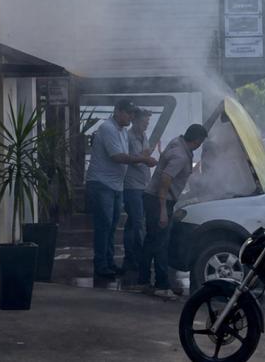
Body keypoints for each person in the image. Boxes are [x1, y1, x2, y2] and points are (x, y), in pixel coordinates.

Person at [85, 99, 157, 279]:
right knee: (104, 226)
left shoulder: (122, 131)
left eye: (132, 113)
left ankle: (108, 262)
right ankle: (101, 264)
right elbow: (117, 156)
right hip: (102, 183)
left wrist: (141, 157)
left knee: (111, 226)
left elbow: (127, 155)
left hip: (116, 185)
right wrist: (142, 159)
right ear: (117, 111)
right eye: (128, 113)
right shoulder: (107, 128)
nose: (131, 117)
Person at [139, 124, 209, 299]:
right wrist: (163, 209)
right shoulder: (180, 155)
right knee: (162, 243)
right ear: (197, 141)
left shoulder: (177, 143)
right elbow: (165, 178)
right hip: (159, 201)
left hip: (153, 198)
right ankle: (162, 285)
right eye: (201, 142)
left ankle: (143, 281)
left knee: (151, 241)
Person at [122, 107, 153, 277]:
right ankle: (139, 258)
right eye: (144, 122)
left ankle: (130, 258)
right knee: (138, 222)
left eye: (147, 122)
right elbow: (134, 159)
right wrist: (145, 158)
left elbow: (144, 155)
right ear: (135, 120)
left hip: (143, 183)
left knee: (133, 223)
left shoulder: (144, 135)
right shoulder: (128, 136)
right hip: (132, 184)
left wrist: (144, 157)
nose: (146, 125)